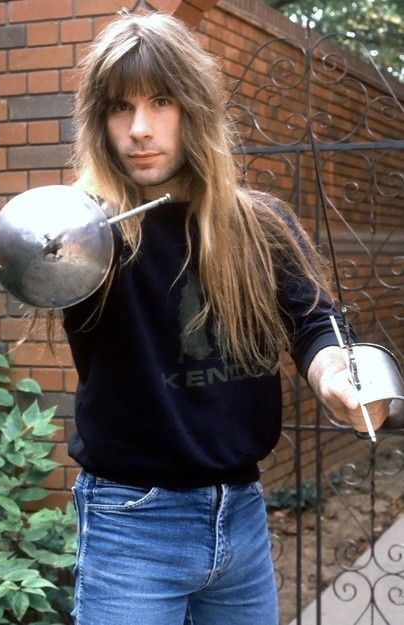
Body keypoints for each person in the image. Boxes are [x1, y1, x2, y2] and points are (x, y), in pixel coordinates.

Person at [60, 11, 389, 625]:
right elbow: (38, 261)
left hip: (240, 516)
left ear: (195, 109)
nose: (139, 129)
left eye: (161, 101)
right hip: (131, 524)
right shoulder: (86, 236)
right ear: (97, 122)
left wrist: (338, 377)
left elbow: (315, 325)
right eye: (118, 107)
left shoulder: (258, 226)